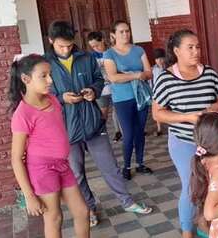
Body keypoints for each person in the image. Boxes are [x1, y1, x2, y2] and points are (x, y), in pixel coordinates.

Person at [45, 21, 152, 228]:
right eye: (61, 46)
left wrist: (93, 91)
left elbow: (99, 80)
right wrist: (60, 98)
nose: (66, 50)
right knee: (76, 172)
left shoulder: (85, 58)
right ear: (51, 41)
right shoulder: (45, 64)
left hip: (92, 122)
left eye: (69, 45)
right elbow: (42, 93)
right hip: (65, 127)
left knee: (110, 166)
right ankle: (89, 207)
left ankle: (127, 201)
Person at [152, 29, 218, 238]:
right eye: (190, 47)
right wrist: (187, 117)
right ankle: (187, 232)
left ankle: (207, 226)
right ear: (176, 51)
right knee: (191, 186)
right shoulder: (166, 78)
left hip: (210, 141)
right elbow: (158, 114)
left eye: (198, 47)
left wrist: (212, 109)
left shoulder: (209, 73)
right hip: (183, 141)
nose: (195, 51)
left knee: (212, 184)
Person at [9, 54, 90, 238]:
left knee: (82, 212)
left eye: (50, 74)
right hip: (42, 170)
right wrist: (29, 196)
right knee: (54, 218)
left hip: (63, 164)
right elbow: (16, 159)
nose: (50, 80)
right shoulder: (23, 114)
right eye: (43, 76)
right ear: (26, 79)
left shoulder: (52, 99)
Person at [103, 20, 153, 180]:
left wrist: (129, 74)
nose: (125, 34)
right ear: (113, 35)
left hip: (141, 97)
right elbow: (113, 77)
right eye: (121, 32)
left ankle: (139, 163)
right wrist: (136, 75)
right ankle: (126, 166)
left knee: (140, 132)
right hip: (122, 99)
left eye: (127, 31)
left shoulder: (138, 49)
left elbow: (149, 73)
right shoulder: (109, 54)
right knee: (129, 133)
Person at [87, 31, 123, 142]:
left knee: (118, 112)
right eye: (92, 46)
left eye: (97, 45)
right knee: (103, 114)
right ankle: (102, 136)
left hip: (115, 88)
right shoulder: (91, 57)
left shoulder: (112, 52)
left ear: (102, 40)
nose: (95, 48)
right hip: (102, 91)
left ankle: (119, 132)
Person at [151, 48, 166, 137]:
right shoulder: (154, 69)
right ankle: (159, 128)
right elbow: (152, 81)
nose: (159, 61)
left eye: (161, 58)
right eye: (157, 59)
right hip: (157, 92)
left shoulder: (167, 68)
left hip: (167, 91)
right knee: (158, 109)